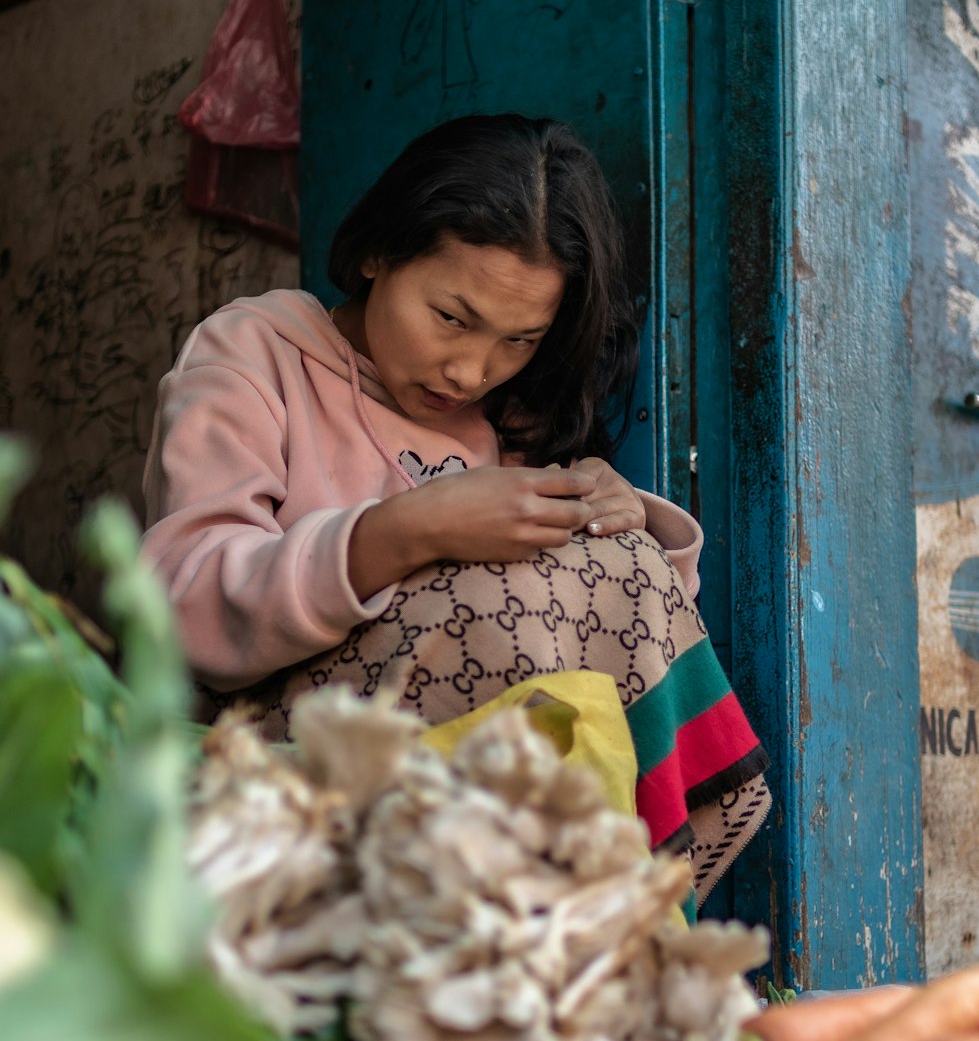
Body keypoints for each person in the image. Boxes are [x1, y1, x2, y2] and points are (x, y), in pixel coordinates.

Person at [141, 113, 770, 905]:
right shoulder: (254, 353)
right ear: (377, 254)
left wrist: (613, 518)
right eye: (452, 317)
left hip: (490, 797)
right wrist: (405, 530)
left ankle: (583, 927)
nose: (472, 369)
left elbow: (612, 623)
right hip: (282, 757)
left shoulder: (507, 417)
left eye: (519, 339)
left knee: (623, 560)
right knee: (495, 599)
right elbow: (180, 602)